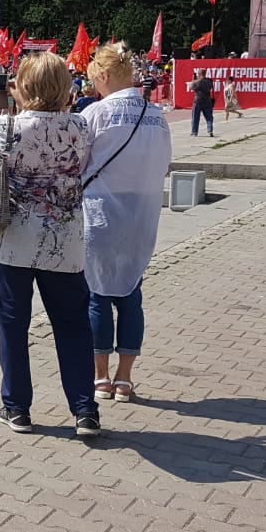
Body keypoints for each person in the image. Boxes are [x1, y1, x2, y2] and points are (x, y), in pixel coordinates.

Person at [0, 51, 101, 438]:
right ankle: (85, 410)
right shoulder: (80, 127)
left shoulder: (7, 126)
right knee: (73, 325)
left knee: (14, 325)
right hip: (65, 240)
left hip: (13, 239)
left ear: (24, 86)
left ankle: (17, 408)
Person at [82, 43, 172, 406]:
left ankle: (99, 376)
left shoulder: (95, 114)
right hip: (142, 215)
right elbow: (164, 164)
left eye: (95, 82)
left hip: (101, 212)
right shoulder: (156, 115)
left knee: (98, 295)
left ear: (103, 77)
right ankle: (125, 378)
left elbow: (77, 164)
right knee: (131, 294)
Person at [188, 69, 215, 137]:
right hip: (207, 100)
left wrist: (193, 80)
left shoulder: (196, 82)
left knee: (195, 117)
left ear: (199, 74)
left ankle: (194, 132)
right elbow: (210, 87)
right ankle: (210, 130)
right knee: (209, 117)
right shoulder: (209, 82)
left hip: (198, 101)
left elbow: (190, 88)